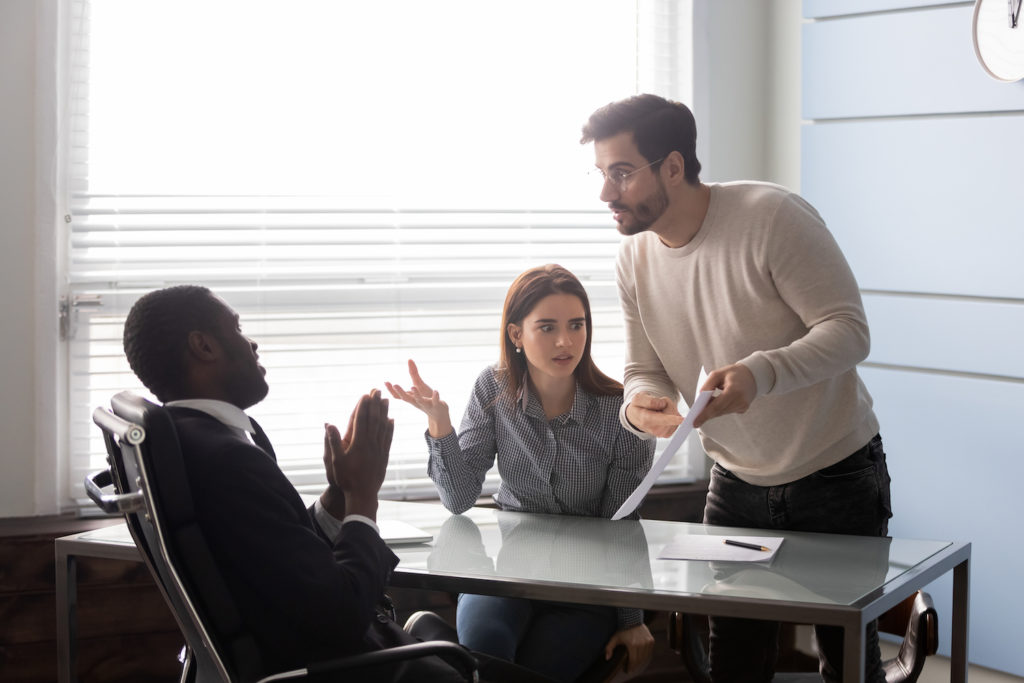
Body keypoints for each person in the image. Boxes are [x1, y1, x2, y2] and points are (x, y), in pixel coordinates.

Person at [580, 94, 893, 683]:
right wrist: (637, 405)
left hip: (835, 475)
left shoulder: (772, 217)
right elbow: (641, 369)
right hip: (735, 486)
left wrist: (759, 373)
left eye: (621, 172)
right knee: (736, 666)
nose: (605, 193)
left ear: (672, 166)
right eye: (601, 174)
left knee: (847, 663)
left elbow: (850, 332)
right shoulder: (633, 259)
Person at [121, 284, 474, 682]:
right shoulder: (228, 461)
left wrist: (339, 495)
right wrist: (363, 495)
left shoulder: (198, 441)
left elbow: (284, 556)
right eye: (236, 329)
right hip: (338, 667)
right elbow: (341, 619)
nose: (251, 343)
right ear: (203, 346)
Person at [385, 264, 656, 682]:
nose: (566, 341)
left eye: (576, 325)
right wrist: (440, 423)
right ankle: (445, 650)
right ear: (516, 334)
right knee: (488, 652)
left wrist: (631, 619)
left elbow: (621, 526)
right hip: (506, 578)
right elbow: (458, 499)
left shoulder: (622, 410)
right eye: (546, 327)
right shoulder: (492, 389)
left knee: (514, 674)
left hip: (583, 592)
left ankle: (430, 636)